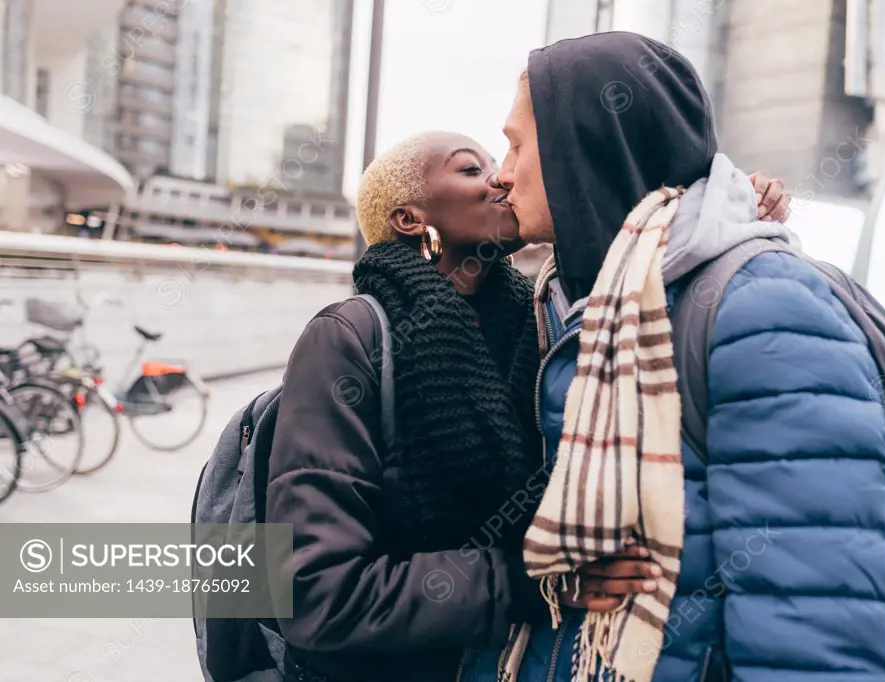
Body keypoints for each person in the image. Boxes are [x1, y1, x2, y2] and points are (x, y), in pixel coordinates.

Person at [266, 127, 792, 682]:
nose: (499, 178)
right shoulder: (347, 339)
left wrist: (730, 207)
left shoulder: (545, 327)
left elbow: (645, 260)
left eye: (500, 163)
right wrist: (523, 583)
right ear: (409, 220)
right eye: (470, 169)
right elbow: (309, 589)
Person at [468, 32, 885, 682]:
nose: (502, 170)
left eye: (520, 144)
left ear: (584, 148)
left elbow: (813, 620)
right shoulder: (565, 297)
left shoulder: (766, 308)